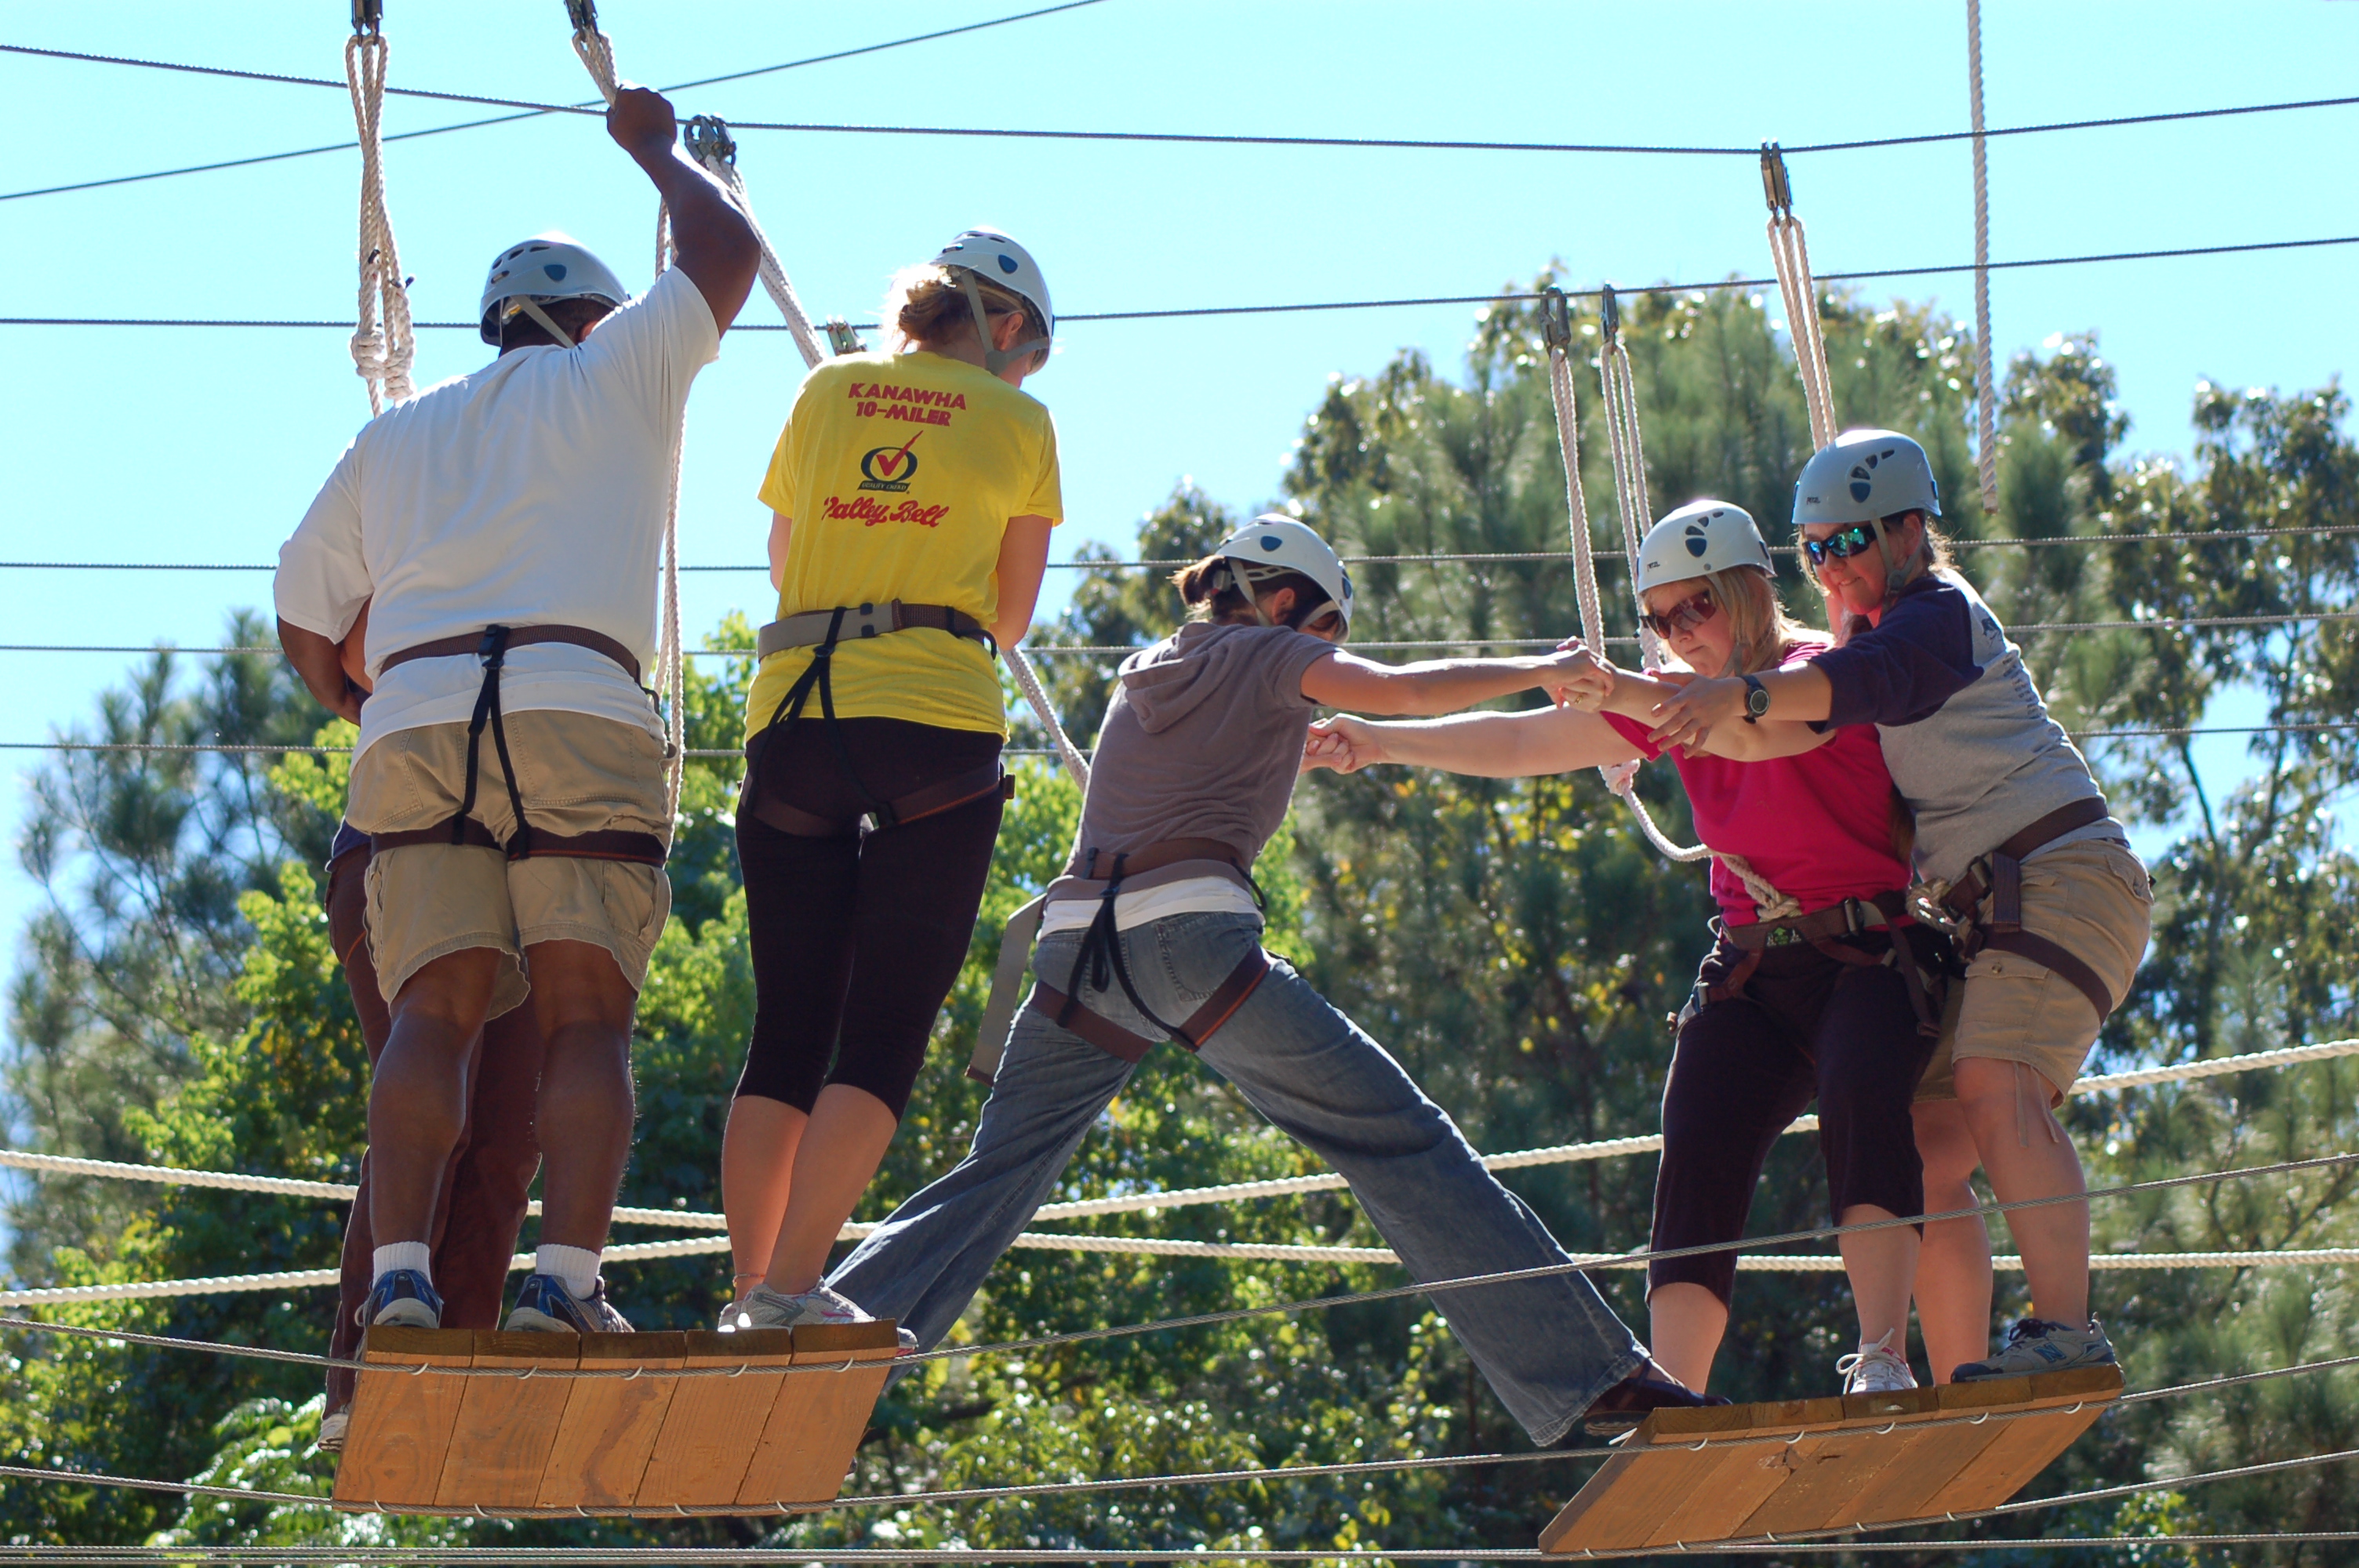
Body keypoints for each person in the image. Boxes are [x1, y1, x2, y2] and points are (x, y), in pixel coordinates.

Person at [820, 517, 1723, 1443]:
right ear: (1283, 599)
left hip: (1073, 952)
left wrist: (1319, 734)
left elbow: (1198, 766)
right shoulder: (1271, 651)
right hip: (1188, 943)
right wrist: (1538, 666)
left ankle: (830, 1327)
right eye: (1325, 630)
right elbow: (1403, 690)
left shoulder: (1147, 667)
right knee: (1399, 1140)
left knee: (997, 1171)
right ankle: (1593, 1379)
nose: (1324, 652)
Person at [274, 83, 758, 1336]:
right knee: (585, 1012)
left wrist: (363, 704)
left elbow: (302, 616)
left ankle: (397, 1283)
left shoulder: (398, 434)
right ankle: (565, 1286)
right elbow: (725, 251)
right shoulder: (620, 370)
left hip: (417, 721)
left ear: (496, 325)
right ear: (595, 314)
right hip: (576, 705)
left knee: (432, 1013)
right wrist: (657, 152)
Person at [1312, 500, 1960, 1396]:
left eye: (1697, 606)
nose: (1680, 632)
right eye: (1659, 619)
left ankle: (1882, 1354)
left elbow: (1752, 731)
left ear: (1747, 589)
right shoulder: (1668, 701)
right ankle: (1678, 1398)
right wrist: (1377, 741)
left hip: (1866, 950)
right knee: (1695, 1139)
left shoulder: (1821, 673)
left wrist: (1624, 690)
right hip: (1753, 969)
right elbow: (1521, 740)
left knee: (1861, 1102)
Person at [1641, 430, 2153, 1381]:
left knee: (1994, 1078)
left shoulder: (1935, 614)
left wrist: (1736, 692)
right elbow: (1806, 715)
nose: (1831, 567)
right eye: (1813, 553)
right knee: (1924, 1147)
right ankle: (1959, 1386)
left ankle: (2066, 1330)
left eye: (1848, 543)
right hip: (1998, 903)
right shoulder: (1865, 634)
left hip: (2060, 873)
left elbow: (1856, 684)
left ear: (1911, 530)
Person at [717, 230, 1060, 1335]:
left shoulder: (828, 389)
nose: (1022, 380)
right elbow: (1011, 617)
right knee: (882, 1033)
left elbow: (784, 560)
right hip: (934, 725)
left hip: (795, 713)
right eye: (1025, 358)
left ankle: (747, 1291)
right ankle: (792, 1288)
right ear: (1005, 325)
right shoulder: (1021, 425)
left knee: (787, 1030)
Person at [314, 615, 543, 1452]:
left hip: (534, 849)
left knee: (508, 1142)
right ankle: (360, 1382)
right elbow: (337, 646)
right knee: (434, 1128)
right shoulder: (415, 532)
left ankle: (451, 1386)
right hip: (404, 839)